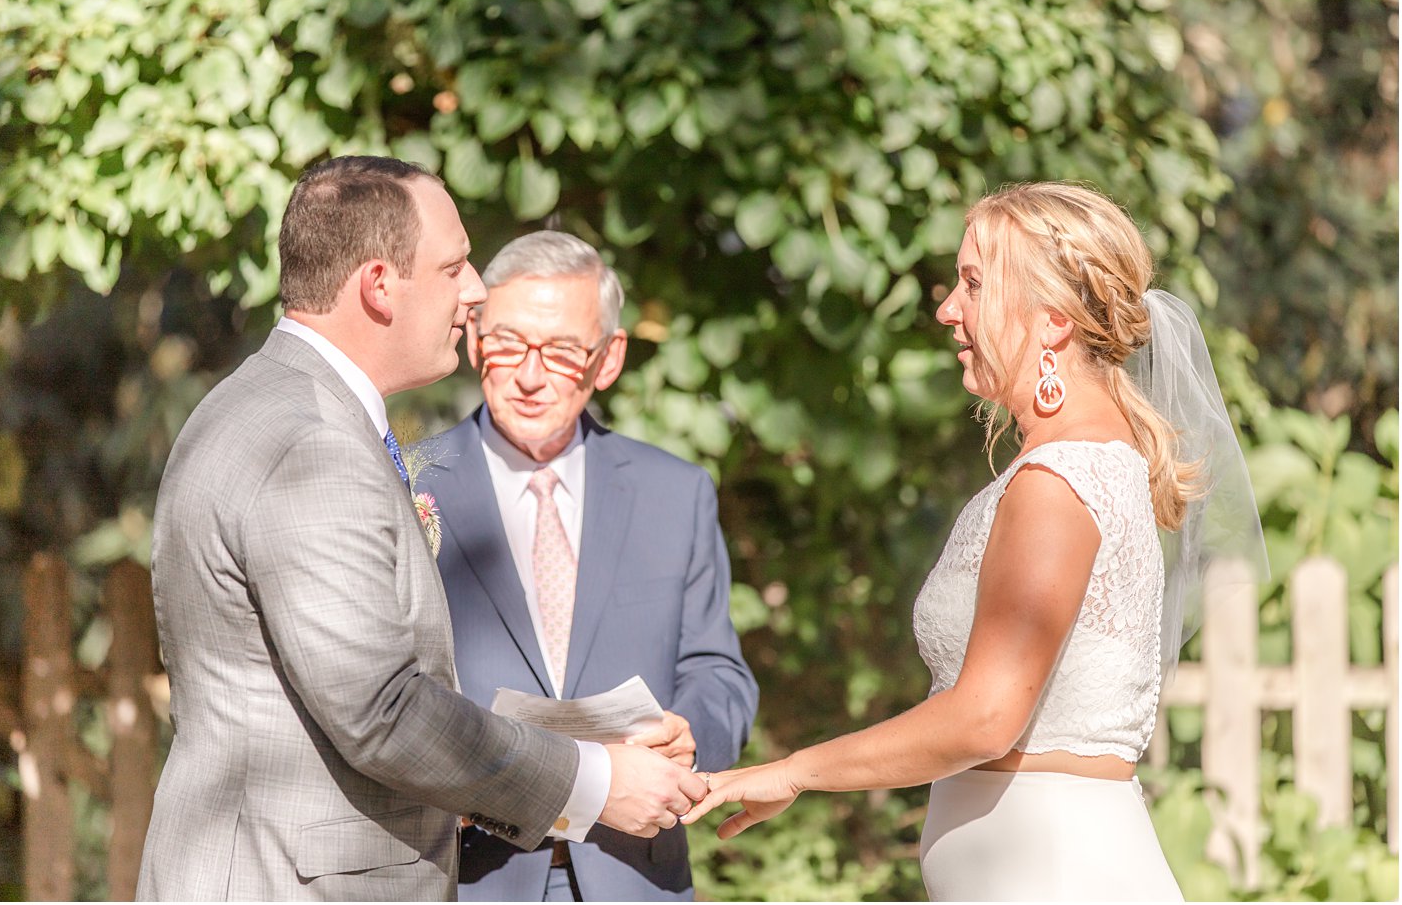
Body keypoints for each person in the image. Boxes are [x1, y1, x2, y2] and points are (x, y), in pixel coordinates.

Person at [137, 157, 707, 902]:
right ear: (379, 285)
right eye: (454, 266)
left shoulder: (263, 403)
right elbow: (381, 709)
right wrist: (594, 781)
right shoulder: (312, 443)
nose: (474, 292)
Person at [682, 182, 1266, 901]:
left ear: (1052, 320)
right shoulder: (1078, 461)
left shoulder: (1058, 479)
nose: (946, 309)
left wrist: (797, 768)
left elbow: (987, 715)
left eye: (973, 284)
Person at [414, 231, 759, 902]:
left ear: (609, 358)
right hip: (469, 872)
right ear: (476, 339)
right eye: (508, 343)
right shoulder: (411, 485)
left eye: (564, 350)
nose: (531, 374)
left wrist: (690, 735)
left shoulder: (674, 492)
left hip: (634, 871)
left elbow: (720, 672)